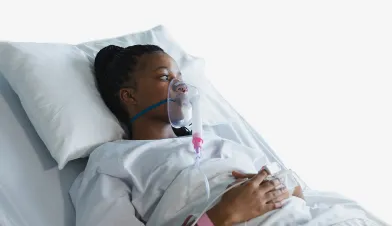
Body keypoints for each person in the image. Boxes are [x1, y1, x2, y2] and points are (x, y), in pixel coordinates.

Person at [92, 44, 304, 226]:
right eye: (165, 77)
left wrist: (272, 188)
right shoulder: (113, 161)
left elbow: (296, 191)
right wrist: (223, 215)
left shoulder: (217, 142)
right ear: (129, 96)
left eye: (180, 78)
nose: (182, 87)